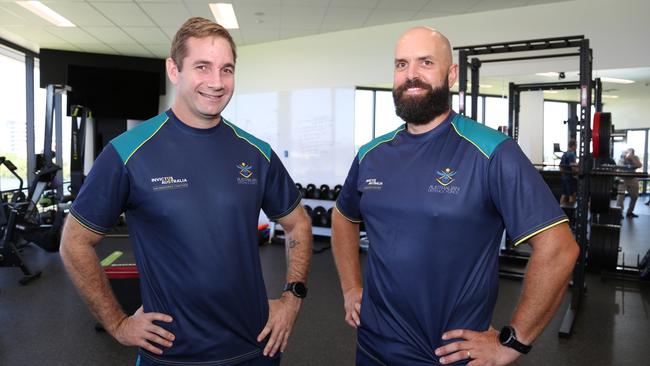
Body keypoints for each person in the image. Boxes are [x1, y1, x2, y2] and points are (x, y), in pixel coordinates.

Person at [60, 17, 312, 366]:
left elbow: (298, 224)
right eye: (202, 67)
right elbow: (73, 241)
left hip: (256, 348)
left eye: (227, 69)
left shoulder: (257, 153)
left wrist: (292, 298)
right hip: (172, 354)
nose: (217, 82)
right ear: (174, 70)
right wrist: (117, 324)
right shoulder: (128, 153)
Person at [331, 26, 579, 366]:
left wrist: (513, 342)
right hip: (372, 347)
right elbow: (343, 217)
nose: (411, 75)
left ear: (451, 75)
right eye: (401, 64)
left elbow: (560, 248)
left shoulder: (492, 151)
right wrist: (350, 288)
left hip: (448, 355)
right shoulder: (371, 154)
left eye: (425, 62)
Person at [616, 148, 642, 217]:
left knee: (635, 196)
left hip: (632, 178)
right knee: (620, 197)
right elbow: (620, 167)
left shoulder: (635, 158)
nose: (630, 154)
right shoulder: (622, 157)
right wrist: (626, 158)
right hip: (623, 178)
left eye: (632, 153)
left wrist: (632, 159)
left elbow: (639, 165)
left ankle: (630, 212)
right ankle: (619, 213)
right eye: (629, 153)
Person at [559, 140, 578, 205]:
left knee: (564, 195)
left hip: (564, 177)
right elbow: (573, 167)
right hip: (570, 178)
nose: (577, 147)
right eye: (576, 145)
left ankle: (560, 212)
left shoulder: (564, 154)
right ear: (573, 146)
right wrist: (578, 172)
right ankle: (571, 213)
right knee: (571, 195)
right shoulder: (571, 154)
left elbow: (561, 167)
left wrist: (563, 175)